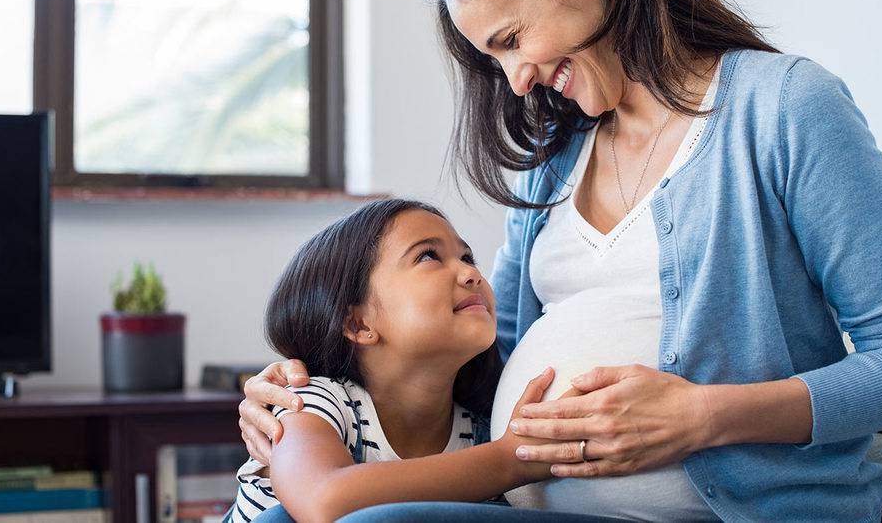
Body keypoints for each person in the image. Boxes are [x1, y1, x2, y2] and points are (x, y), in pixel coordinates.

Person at [239, 0, 882, 521]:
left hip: (735, 509)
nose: (516, 80)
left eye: (513, 39)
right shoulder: (553, 163)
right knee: (282, 514)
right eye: (493, 60)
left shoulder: (782, 108)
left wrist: (704, 417)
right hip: (531, 504)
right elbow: (487, 363)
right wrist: (310, 397)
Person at [224, 199, 633, 523]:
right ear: (358, 322)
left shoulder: (476, 427)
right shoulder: (314, 404)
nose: (470, 274)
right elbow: (325, 502)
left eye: (468, 257)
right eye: (428, 257)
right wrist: (512, 459)